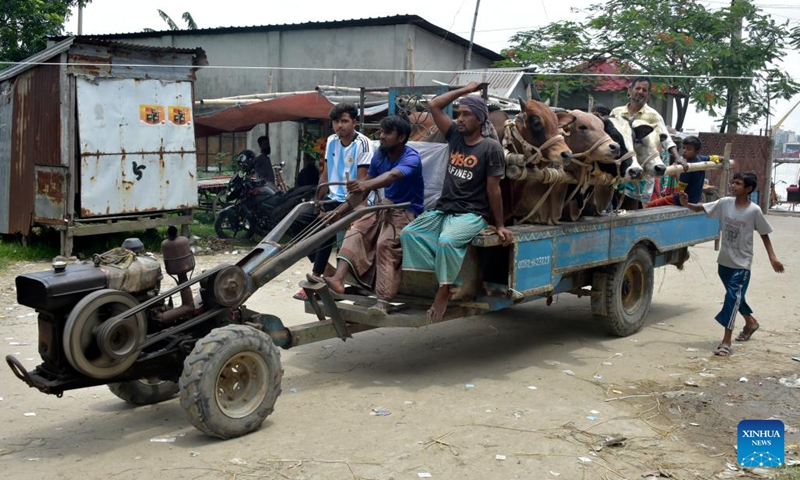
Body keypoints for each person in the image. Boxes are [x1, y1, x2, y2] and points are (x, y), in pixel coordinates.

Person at [400, 82, 514, 320]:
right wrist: (466, 90)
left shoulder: (491, 148)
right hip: (445, 209)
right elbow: (433, 105)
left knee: (447, 241)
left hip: (472, 214)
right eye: (459, 114)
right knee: (410, 234)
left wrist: (500, 225)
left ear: (480, 119)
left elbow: (494, 190)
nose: (460, 119)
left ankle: (443, 291)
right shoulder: (455, 137)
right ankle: (453, 278)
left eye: (466, 114)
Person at [325, 115, 424, 315]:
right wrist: (338, 212)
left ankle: (383, 300)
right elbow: (363, 190)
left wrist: (365, 184)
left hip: (406, 211)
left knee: (385, 244)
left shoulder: (411, 157)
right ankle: (338, 279)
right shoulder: (380, 155)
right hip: (383, 207)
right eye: (381, 131)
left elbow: (391, 177)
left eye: (387, 133)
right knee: (357, 229)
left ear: (401, 137)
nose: (381, 136)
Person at [684, 172, 785, 357]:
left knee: (732, 298)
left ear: (748, 189)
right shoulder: (725, 203)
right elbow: (703, 208)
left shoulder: (753, 210)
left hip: (742, 264)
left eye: (738, 183)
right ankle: (750, 322)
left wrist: (772, 257)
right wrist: (687, 204)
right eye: (733, 182)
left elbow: (764, 233)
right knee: (737, 297)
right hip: (724, 262)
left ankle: (726, 341)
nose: (733, 185)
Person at [289, 103, 374, 300]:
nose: (339, 126)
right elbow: (325, 175)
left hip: (354, 201)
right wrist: (318, 201)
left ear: (355, 122)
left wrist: (339, 210)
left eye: (344, 121)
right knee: (296, 220)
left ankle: (316, 277)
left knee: (326, 223)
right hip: (332, 198)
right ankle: (327, 269)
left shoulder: (363, 143)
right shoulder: (331, 141)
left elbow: (362, 185)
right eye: (336, 121)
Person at [646, 135, 719, 208]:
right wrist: (722, 159)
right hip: (696, 199)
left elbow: (681, 189)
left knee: (651, 204)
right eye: (683, 148)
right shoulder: (701, 159)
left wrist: (677, 172)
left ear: (697, 151)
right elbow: (714, 157)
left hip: (683, 199)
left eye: (689, 149)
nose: (684, 151)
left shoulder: (686, 168)